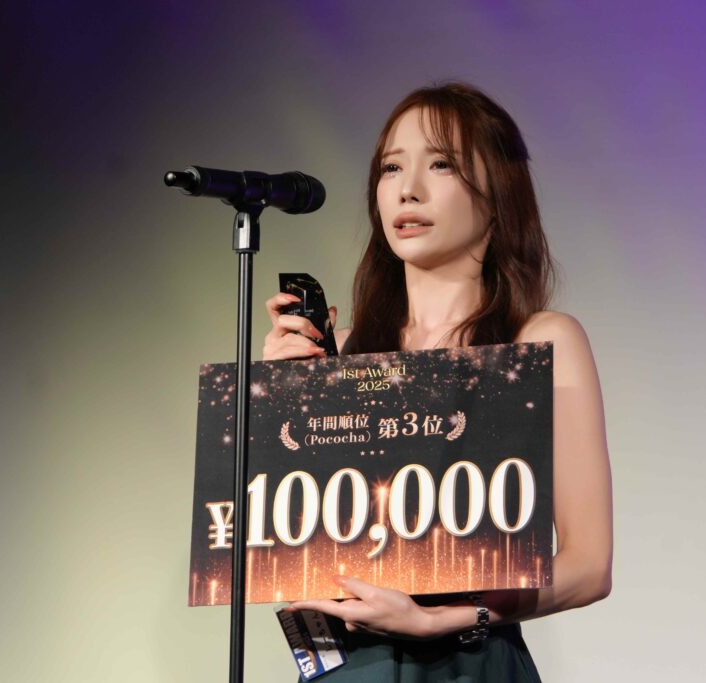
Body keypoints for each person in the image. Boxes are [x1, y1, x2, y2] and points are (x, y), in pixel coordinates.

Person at [262, 82, 613, 681]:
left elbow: (589, 566)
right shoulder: (343, 354)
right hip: (351, 669)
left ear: (498, 194)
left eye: (442, 164)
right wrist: (282, 398)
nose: (408, 189)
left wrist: (440, 619)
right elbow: (287, 550)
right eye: (391, 167)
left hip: (467, 662)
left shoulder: (539, 342)